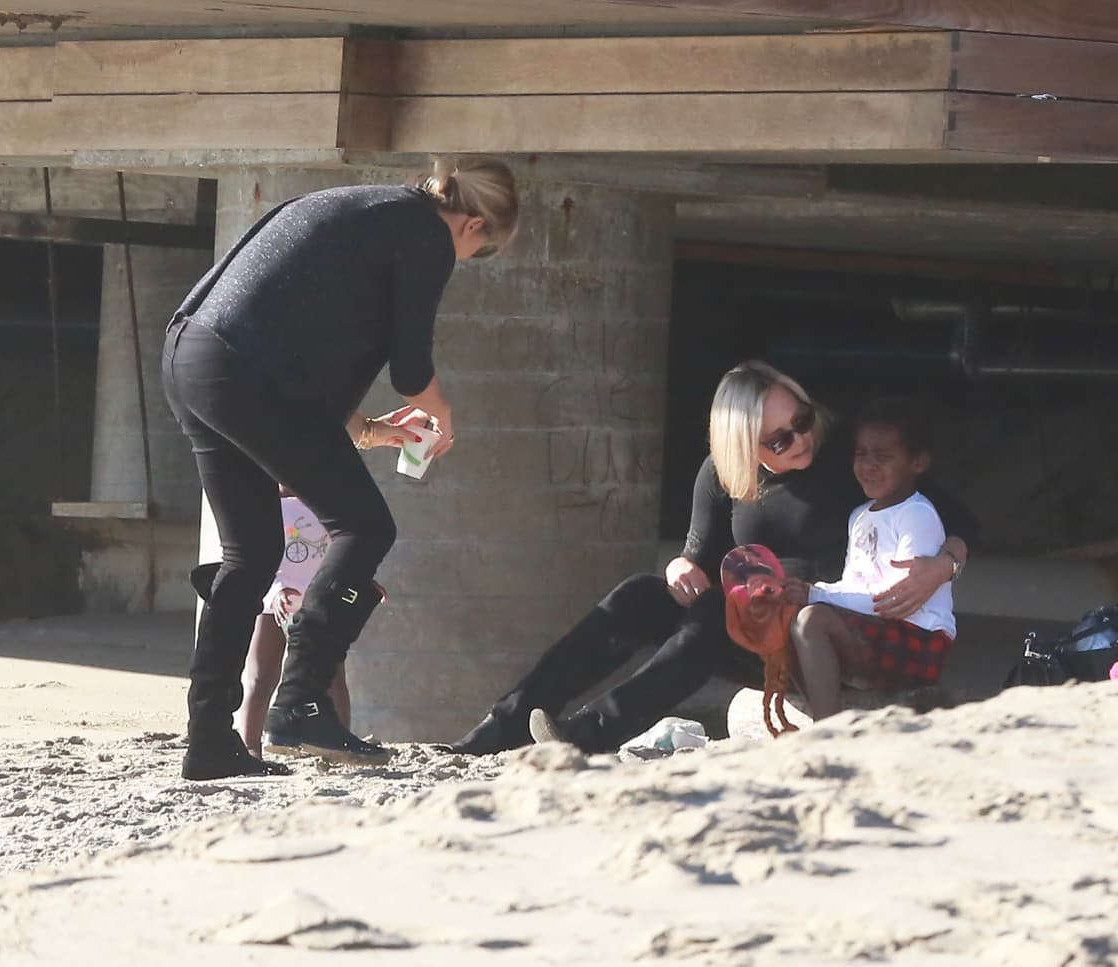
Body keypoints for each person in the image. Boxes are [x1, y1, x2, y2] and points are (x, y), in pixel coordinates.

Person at [163, 157, 520, 780]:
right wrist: (443, 418)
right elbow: (411, 370)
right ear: (473, 224)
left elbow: (301, 382)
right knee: (365, 527)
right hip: (243, 374)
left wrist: (378, 432)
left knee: (251, 553)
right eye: (481, 250)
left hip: (192, 357)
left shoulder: (366, 212)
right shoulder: (425, 234)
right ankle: (299, 704)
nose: (468, 260)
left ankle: (208, 742)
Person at [452, 360, 976, 756]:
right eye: (778, 439)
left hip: (825, 633)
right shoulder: (723, 474)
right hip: (750, 627)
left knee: (715, 612)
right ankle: (503, 725)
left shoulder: (852, 457)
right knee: (639, 595)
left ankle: (592, 733)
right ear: (743, 446)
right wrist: (680, 567)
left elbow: (955, 516)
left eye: (802, 418)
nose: (799, 440)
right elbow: (696, 557)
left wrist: (944, 564)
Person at [784, 397, 956, 719]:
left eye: (883, 457)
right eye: (861, 454)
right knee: (787, 617)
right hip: (877, 634)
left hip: (918, 638)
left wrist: (816, 594)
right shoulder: (859, 516)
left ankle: (827, 731)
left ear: (917, 463)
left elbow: (895, 602)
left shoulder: (916, 514)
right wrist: (810, 591)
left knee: (812, 619)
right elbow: (854, 585)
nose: (868, 465)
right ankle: (828, 713)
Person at [235, 488, 351, 759]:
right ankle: (250, 745)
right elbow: (249, 556)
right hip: (272, 604)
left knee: (332, 677)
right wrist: (276, 591)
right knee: (260, 676)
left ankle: (340, 740)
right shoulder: (259, 506)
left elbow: (342, 552)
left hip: (318, 603)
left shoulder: (326, 503)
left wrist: (359, 580)